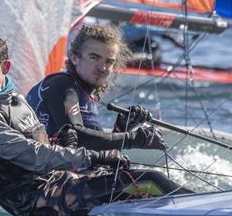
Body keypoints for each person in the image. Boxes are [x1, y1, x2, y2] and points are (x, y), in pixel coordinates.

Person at [0, 34, 187, 216]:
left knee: (136, 182)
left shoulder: (16, 101)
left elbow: (42, 144)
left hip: (58, 183)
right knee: (149, 180)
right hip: (40, 204)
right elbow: (33, 155)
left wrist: (116, 131)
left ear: (5, 67)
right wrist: (95, 156)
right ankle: (213, 213)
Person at [26, 23, 166, 152]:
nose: (102, 67)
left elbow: (96, 153)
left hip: (66, 173)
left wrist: (121, 127)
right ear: (74, 58)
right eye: (94, 58)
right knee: (154, 178)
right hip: (38, 176)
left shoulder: (83, 94)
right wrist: (135, 138)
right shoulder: (61, 85)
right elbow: (78, 137)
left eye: (109, 62)